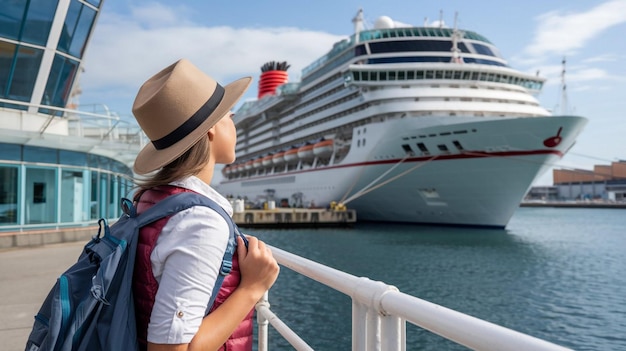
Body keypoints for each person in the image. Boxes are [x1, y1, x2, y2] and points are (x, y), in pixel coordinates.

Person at [130, 58, 280, 351]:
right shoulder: (199, 221)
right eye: (230, 116)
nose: (235, 125)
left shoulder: (150, 200)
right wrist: (252, 288)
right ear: (211, 129)